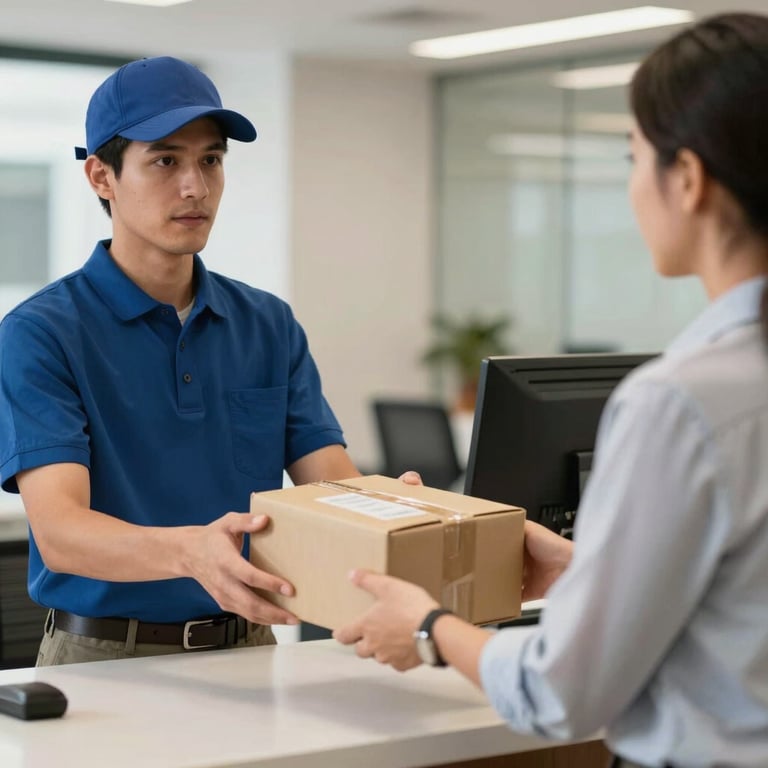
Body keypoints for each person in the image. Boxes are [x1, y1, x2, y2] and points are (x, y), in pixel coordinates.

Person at [334, 13, 768, 768]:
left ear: (688, 179)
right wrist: (586, 572)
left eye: (634, 157)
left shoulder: (681, 402)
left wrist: (433, 629)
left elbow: (563, 690)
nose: (633, 187)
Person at [0, 56, 362, 666]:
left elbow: (331, 486)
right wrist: (192, 552)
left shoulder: (267, 324)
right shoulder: (40, 333)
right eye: (165, 160)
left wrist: (405, 513)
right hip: (102, 657)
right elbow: (61, 532)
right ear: (101, 177)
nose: (195, 186)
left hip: (251, 649)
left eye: (210, 160)